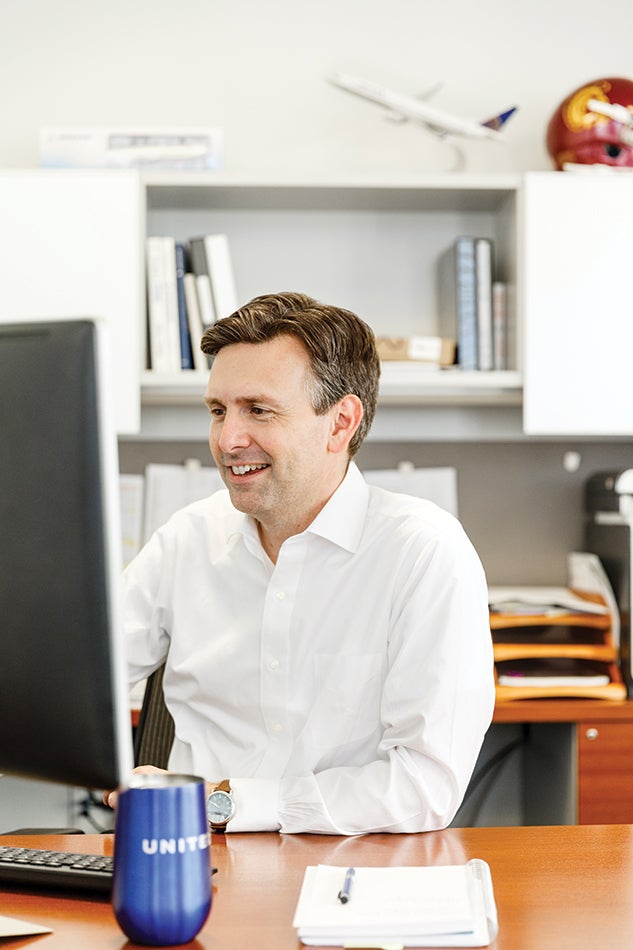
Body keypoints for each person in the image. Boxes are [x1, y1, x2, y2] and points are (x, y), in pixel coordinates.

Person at [120, 291, 495, 834]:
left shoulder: (424, 552)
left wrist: (227, 804)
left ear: (340, 423)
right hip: (191, 866)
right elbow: (74, 686)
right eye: (218, 411)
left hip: (357, 879)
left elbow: (426, 786)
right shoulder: (188, 537)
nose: (227, 440)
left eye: (258, 410)